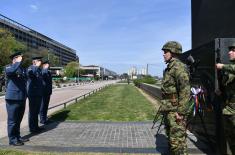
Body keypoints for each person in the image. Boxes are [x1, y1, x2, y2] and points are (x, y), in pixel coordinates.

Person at [160, 41, 190, 155]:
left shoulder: (178, 67)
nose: (163, 54)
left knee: (177, 143)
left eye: (166, 52)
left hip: (176, 111)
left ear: (173, 52)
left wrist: (181, 112)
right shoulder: (170, 68)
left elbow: (185, 90)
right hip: (169, 109)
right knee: (172, 140)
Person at [5, 51, 29, 146]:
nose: (21, 59)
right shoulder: (9, 67)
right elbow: (11, 72)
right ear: (14, 59)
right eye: (19, 58)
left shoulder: (22, 69)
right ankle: (12, 139)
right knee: (12, 120)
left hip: (21, 97)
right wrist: (17, 62)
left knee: (18, 119)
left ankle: (18, 136)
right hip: (12, 98)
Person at [216, 43, 235, 155]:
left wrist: (222, 66)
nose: (229, 52)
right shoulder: (230, 69)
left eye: (233, 50)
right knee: (231, 141)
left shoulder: (229, 67)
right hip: (229, 110)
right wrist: (221, 89)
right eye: (230, 50)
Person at [27, 56, 44, 133]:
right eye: (39, 61)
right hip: (33, 94)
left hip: (38, 93)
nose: (40, 62)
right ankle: (32, 128)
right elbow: (30, 75)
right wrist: (36, 66)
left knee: (36, 111)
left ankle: (36, 127)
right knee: (32, 111)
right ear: (34, 62)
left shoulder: (39, 70)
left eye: (40, 61)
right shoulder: (31, 68)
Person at [39, 60, 52, 125]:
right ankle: (42, 119)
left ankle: (45, 118)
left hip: (48, 92)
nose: (49, 66)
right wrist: (45, 68)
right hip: (43, 92)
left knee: (46, 106)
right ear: (44, 65)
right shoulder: (43, 71)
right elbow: (43, 76)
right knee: (42, 106)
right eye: (48, 64)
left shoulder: (48, 72)